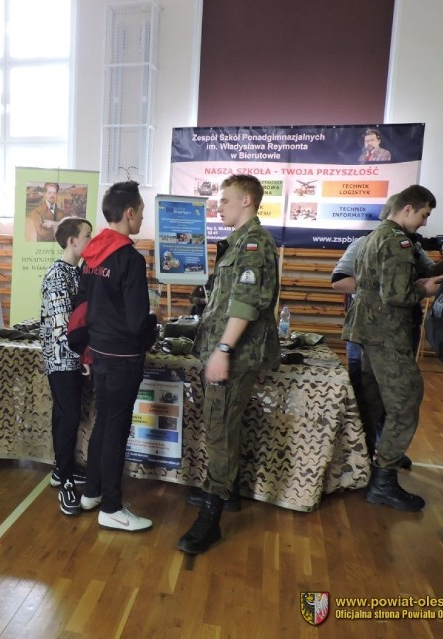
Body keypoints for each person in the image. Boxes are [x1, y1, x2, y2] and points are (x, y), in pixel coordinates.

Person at [177, 175, 280, 555]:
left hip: (234, 356)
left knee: (219, 430)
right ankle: (228, 490)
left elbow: (246, 303)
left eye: (224, 200)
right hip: (225, 352)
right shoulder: (238, 241)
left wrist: (222, 350)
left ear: (247, 200)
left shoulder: (253, 244)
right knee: (223, 425)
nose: (218, 207)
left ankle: (212, 516)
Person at [342, 185, 443, 511]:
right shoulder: (398, 241)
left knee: (370, 405)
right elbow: (397, 295)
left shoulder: (374, 236)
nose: (425, 223)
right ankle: (382, 481)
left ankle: (364, 468)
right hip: (388, 335)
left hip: (367, 333)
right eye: (425, 215)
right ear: (409, 208)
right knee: (404, 403)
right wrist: (425, 289)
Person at [77, 180, 159, 532]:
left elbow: (81, 307)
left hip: (99, 351)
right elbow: (137, 318)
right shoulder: (129, 258)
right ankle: (111, 506)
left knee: (104, 423)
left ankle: (92, 491)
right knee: (116, 429)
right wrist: (154, 329)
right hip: (123, 356)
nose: (142, 217)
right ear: (129, 213)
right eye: (141, 211)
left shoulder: (91, 254)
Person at [40, 216, 93, 515]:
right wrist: (82, 356)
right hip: (62, 360)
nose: (90, 239)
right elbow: (64, 326)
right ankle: (66, 483)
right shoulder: (58, 275)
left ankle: (63, 469)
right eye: (87, 235)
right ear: (72, 241)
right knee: (69, 416)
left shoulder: (76, 271)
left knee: (65, 415)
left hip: (72, 358)